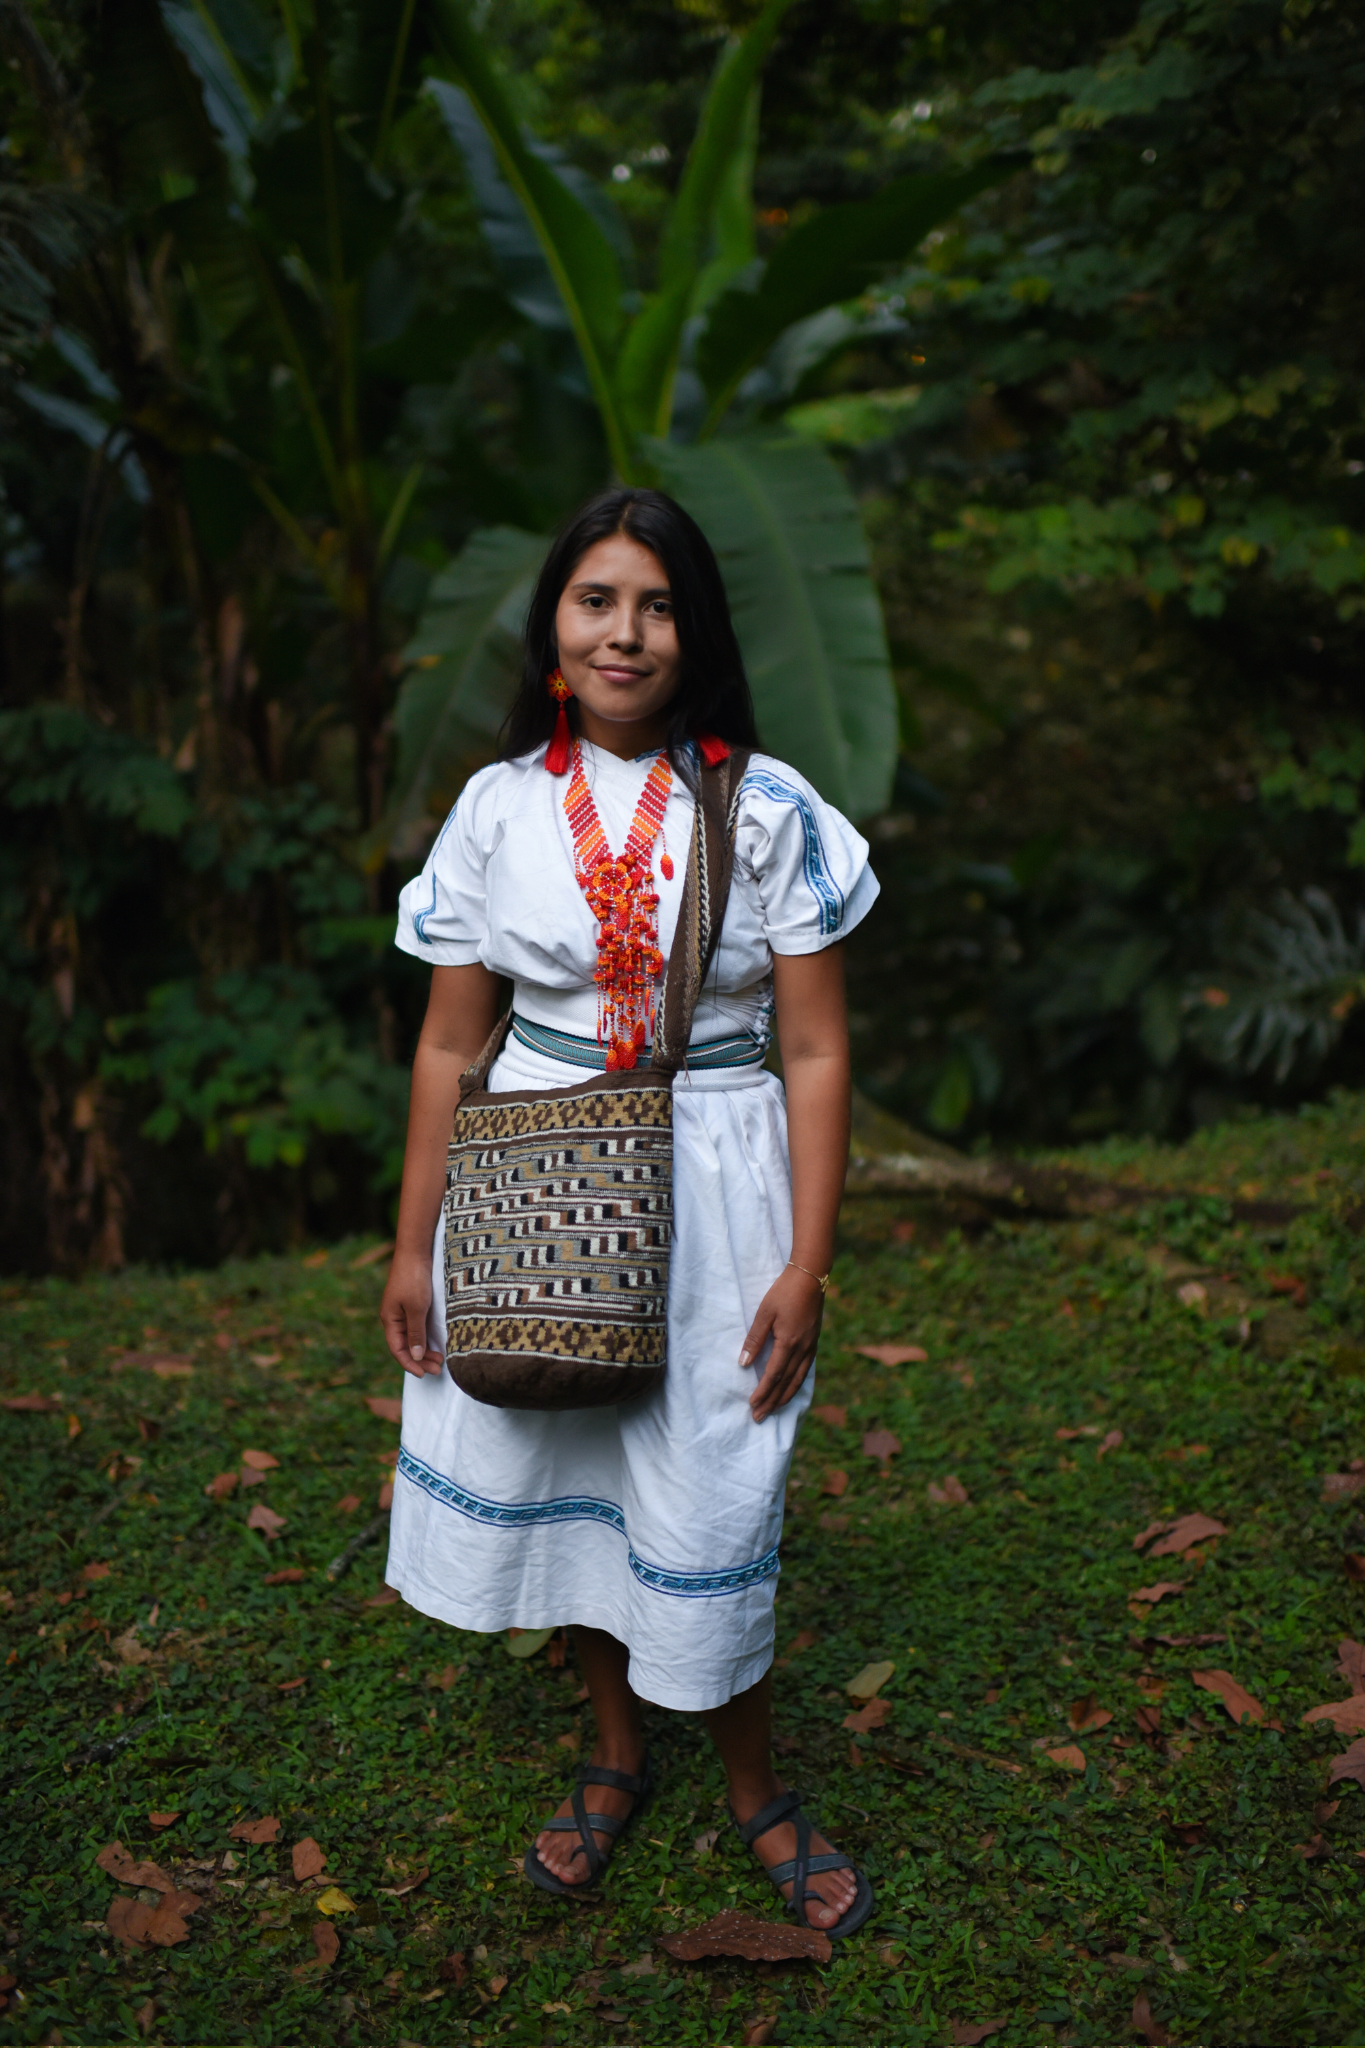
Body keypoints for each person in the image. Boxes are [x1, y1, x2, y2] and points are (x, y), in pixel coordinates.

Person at [379, 487, 879, 1937]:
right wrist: (413, 1242)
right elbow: (443, 1045)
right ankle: (611, 1754)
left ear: (696, 631)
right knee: (568, 1453)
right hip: (537, 1172)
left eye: (657, 604)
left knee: (717, 1472)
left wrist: (808, 1261)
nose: (625, 630)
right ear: (554, 624)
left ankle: (754, 1784)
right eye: (597, 598)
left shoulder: (766, 807)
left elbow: (817, 1049)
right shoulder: (497, 809)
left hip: (721, 1177)